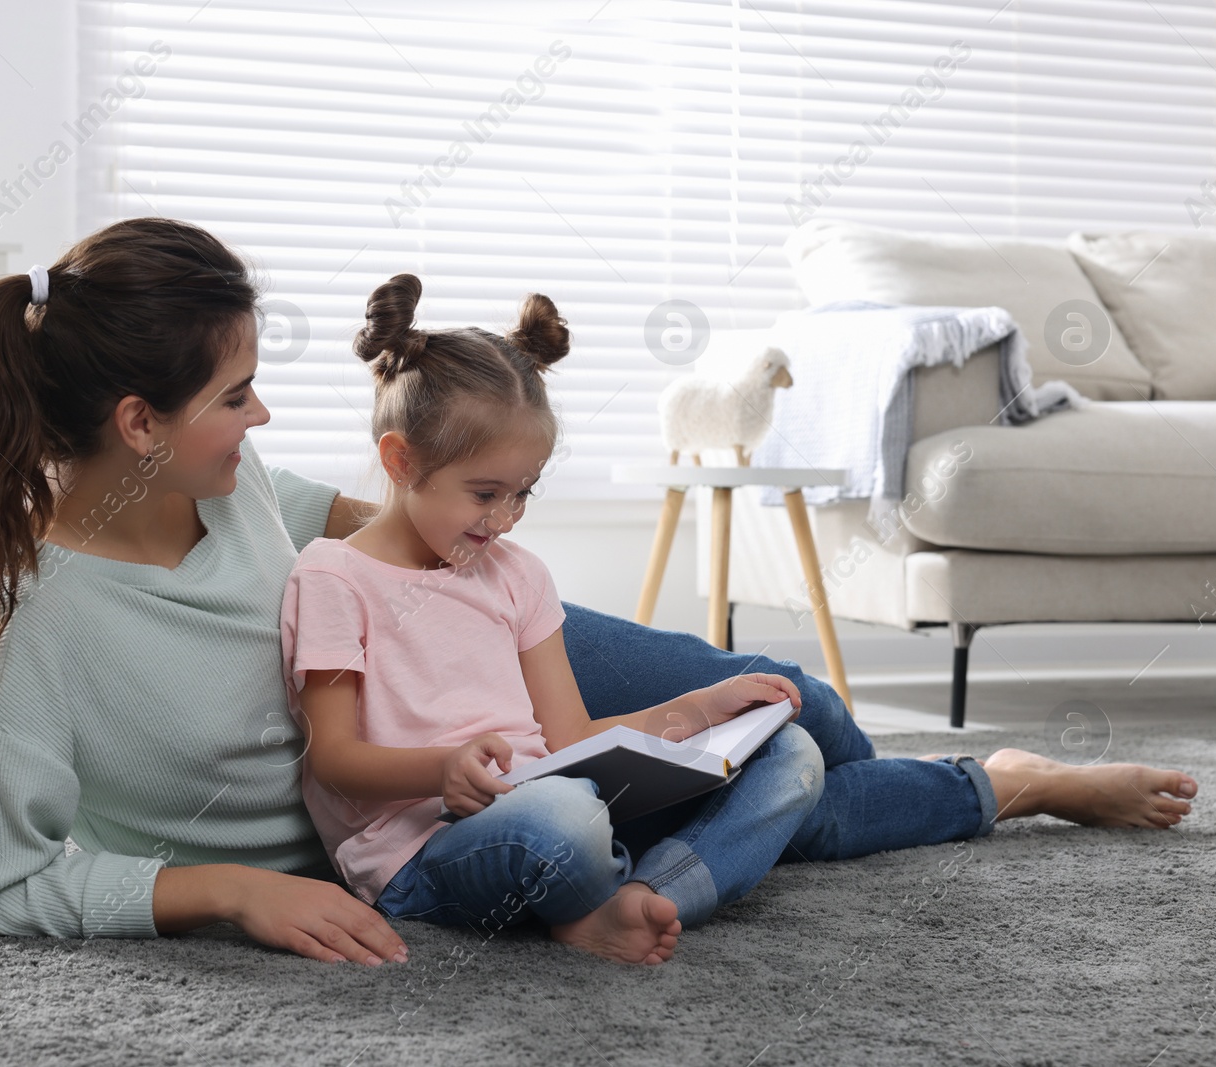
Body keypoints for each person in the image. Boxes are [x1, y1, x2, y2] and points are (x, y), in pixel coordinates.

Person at [0, 217, 1199, 968]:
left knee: (779, 704)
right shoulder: (29, 628)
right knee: (722, 795)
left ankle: (952, 781)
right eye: (234, 394)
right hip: (399, 787)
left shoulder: (232, 475)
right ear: (139, 421)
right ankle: (999, 786)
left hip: (459, 638)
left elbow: (369, 519)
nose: (260, 415)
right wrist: (229, 888)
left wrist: (477, 546)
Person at [280, 274, 821, 966]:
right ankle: (601, 891)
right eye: (485, 493)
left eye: (522, 494)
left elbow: (570, 736)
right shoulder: (332, 575)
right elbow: (334, 761)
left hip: (558, 795)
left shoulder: (519, 573)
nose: (504, 519)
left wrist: (706, 706)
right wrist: (442, 768)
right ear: (400, 460)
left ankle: (640, 898)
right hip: (427, 847)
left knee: (792, 756)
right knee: (564, 818)